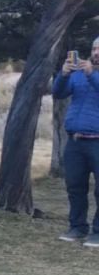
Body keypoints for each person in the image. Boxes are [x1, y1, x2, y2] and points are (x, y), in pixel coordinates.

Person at [53, 37, 99, 246]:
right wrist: (63, 75)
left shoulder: (88, 73)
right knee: (75, 186)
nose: (96, 52)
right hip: (75, 140)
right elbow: (58, 93)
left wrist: (91, 75)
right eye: (94, 48)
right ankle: (78, 227)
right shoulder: (79, 74)